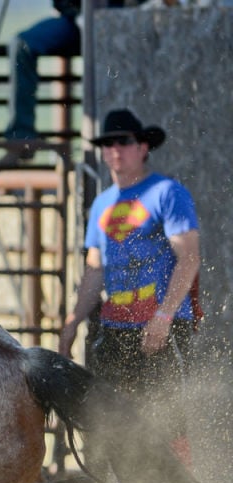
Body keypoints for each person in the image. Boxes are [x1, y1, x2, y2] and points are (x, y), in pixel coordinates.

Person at [58, 108, 200, 458]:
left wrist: (164, 316)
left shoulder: (167, 193)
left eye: (123, 141)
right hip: (115, 329)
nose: (114, 150)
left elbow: (190, 258)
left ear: (143, 147)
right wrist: (73, 321)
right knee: (107, 427)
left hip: (162, 328)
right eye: (108, 143)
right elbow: (95, 270)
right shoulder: (101, 205)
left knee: (168, 427)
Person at [0, 0, 82, 166]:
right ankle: (21, 138)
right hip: (74, 19)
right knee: (21, 45)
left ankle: (117, 140)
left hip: (113, 14)